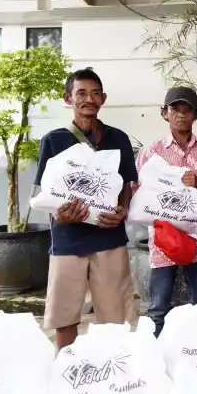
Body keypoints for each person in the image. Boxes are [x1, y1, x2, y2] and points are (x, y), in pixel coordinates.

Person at [35, 67, 138, 350]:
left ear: (103, 98)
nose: (88, 99)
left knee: (115, 317)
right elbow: (45, 192)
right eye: (81, 93)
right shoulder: (53, 141)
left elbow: (127, 185)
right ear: (67, 98)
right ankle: (66, 373)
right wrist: (59, 214)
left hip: (110, 240)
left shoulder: (119, 139)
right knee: (65, 317)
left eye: (94, 93)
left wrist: (122, 211)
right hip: (68, 242)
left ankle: (113, 374)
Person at [135, 86, 197, 337]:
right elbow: (139, 190)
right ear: (164, 113)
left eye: (187, 110)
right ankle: (157, 357)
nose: (181, 115)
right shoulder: (151, 152)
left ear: (196, 115)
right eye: (175, 109)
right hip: (163, 239)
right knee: (158, 307)